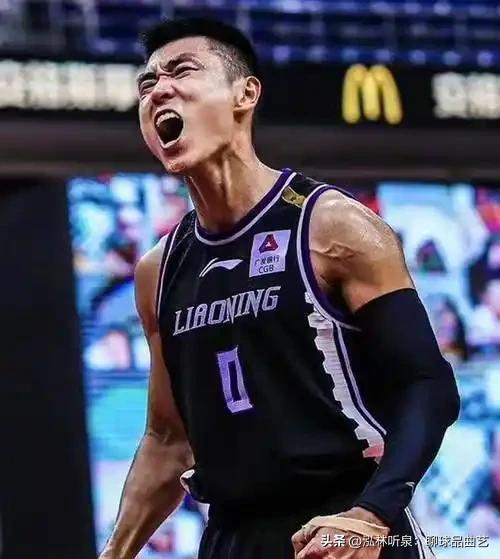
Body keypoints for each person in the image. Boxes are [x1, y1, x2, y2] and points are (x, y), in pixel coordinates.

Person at [98, 18, 460, 559]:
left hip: (342, 518)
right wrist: (114, 552)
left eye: (182, 71)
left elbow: (428, 384)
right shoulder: (159, 269)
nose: (159, 91)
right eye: (147, 84)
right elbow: (169, 440)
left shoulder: (332, 226)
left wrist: (374, 513)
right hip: (232, 534)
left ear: (245, 94)